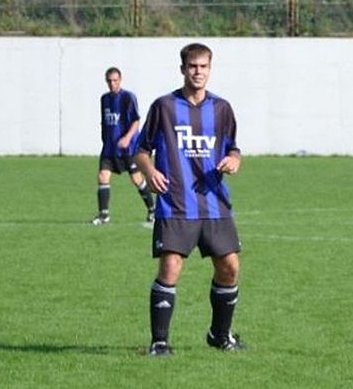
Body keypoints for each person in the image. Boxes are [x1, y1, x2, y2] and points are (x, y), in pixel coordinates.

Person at [134, 43, 245, 356]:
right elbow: (141, 151)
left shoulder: (222, 108)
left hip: (215, 203)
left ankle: (220, 336)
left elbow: (233, 148)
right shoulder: (165, 107)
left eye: (204, 67)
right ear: (182, 69)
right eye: (193, 67)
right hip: (176, 202)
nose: (198, 72)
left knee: (230, 268)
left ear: (210, 69)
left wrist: (235, 160)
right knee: (170, 268)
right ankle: (159, 342)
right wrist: (150, 171)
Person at [91, 67, 155, 225]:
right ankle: (103, 214)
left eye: (115, 80)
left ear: (120, 80)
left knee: (137, 179)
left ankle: (152, 210)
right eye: (109, 81)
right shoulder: (104, 99)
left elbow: (136, 120)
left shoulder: (128, 97)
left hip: (128, 149)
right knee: (102, 176)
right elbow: (105, 122)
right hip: (109, 148)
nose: (112, 84)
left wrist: (127, 138)